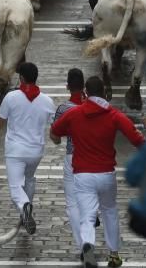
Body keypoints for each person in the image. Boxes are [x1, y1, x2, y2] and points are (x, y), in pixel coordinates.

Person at [50, 76, 145, 268]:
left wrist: (57, 139)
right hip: (106, 174)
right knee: (110, 211)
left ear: (86, 91)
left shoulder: (74, 114)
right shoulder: (114, 115)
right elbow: (136, 138)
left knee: (87, 215)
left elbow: (55, 131)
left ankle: (87, 243)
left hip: (82, 174)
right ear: (103, 92)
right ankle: (114, 255)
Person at [0, 62, 55, 236]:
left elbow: (0, 123)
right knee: (29, 179)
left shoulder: (11, 97)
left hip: (15, 151)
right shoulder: (47, 101)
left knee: (16, 186)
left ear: (22, 78)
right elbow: (55, 126)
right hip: (36, 151)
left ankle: (25, 206)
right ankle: (27, 212)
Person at [52, 68, 86, 248]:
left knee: (72, 202)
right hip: (94, 158)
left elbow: (55, 136)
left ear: (67, 86)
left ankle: (82, 244)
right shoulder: (94, 106)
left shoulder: (64, 108)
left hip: (73, 156)